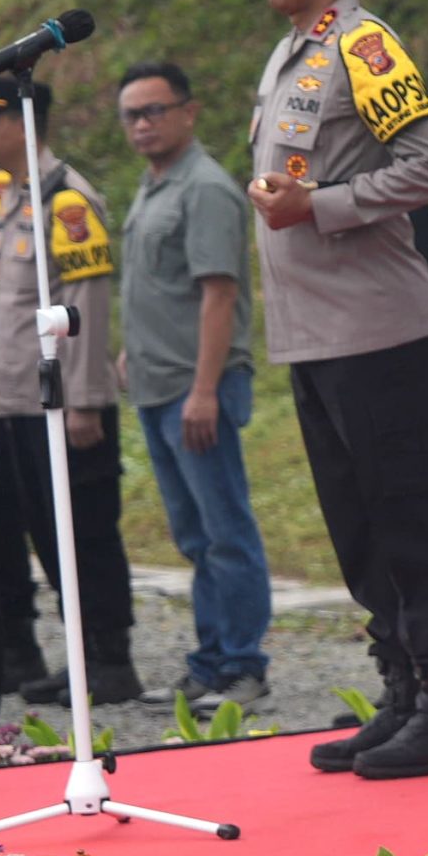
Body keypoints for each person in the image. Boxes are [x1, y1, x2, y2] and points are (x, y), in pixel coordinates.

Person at [239, 0, 428, 779]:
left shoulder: (365, 46)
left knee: (409, 512)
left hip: (376, 329)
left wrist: (323, 206)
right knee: (356, 526)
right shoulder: (290, 53)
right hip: (313, 335)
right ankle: (402, 689)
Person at [0, 74, 141, 707]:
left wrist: (86, 398)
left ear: (26, 122)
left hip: (63, 402)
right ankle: (58, 655)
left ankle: (109, 659)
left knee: (84, 530)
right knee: (33, 530)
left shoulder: (67, 200)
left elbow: (85, 303)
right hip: (13, 400)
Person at [115, 60, 273, 711]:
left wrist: (205, 389)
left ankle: (243, 665)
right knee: (195, 535)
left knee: (225, 530)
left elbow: (219, 293)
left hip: (194, 388)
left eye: (156, 110)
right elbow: (161, 286)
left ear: (189, 111)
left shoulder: (204, 187)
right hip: (157, 385)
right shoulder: (155, 186)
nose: (144, 124)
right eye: (132, 114)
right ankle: (209, 660)